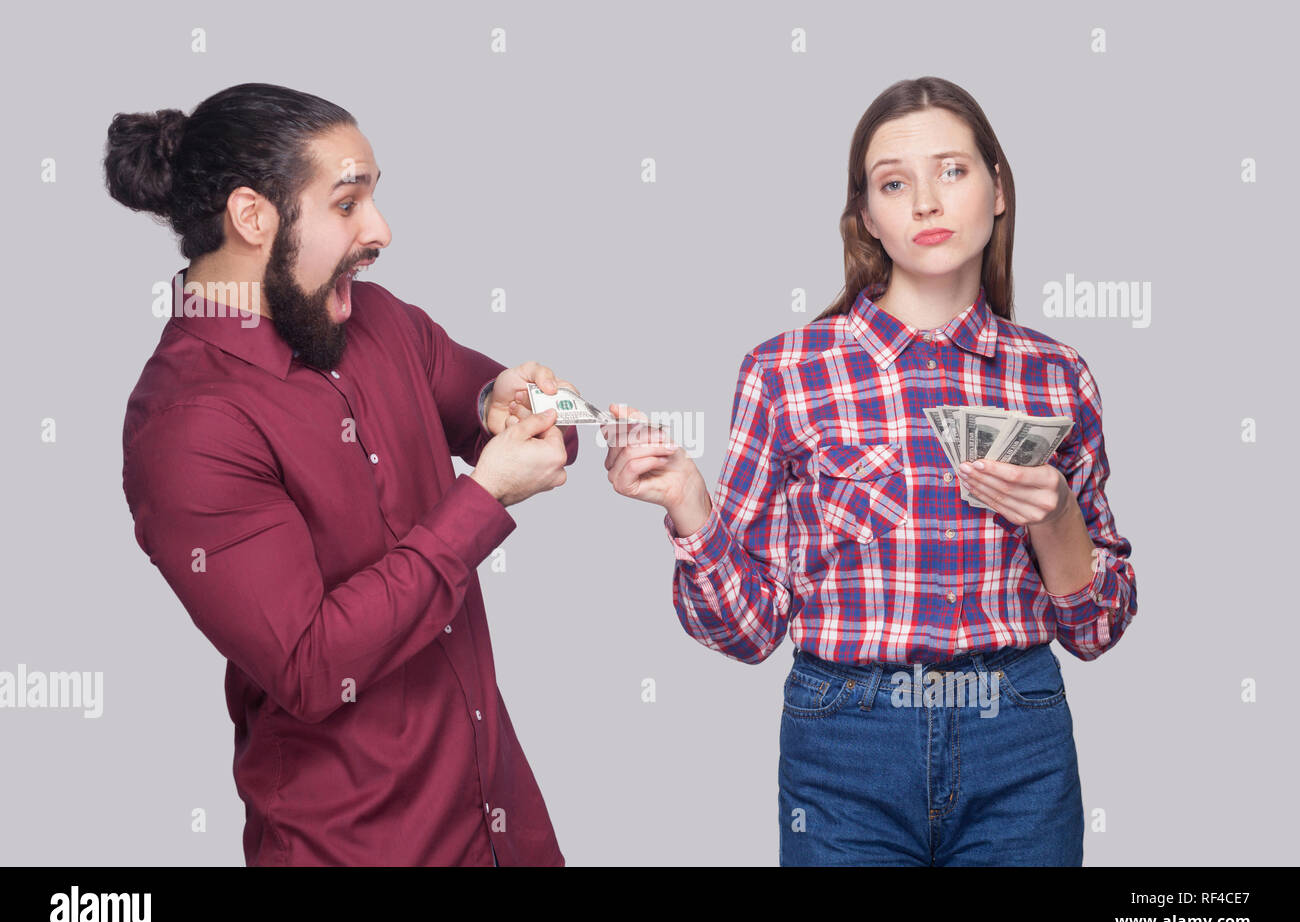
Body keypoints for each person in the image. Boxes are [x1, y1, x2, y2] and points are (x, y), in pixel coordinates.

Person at [592, 77, 1138, 865]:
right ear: (867, 218)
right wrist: (686, 500)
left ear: (998, 192)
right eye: (894, 182)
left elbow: (1098, 628)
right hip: (845, 743)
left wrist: (1056, 521)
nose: (925, 202)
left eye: (952, 171)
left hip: (1019, 736)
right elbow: (746, 633)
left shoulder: (1057, 376)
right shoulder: (785, 371)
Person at [108, 83, 579, 866]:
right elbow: (312, 664)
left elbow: (517, 418)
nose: (381, 231)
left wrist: (514, 400)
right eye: (347, 204)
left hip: (504, 828)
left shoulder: (380, 319)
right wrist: (483, 498)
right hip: (354, 847)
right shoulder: (186, 425)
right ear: (253, 217)